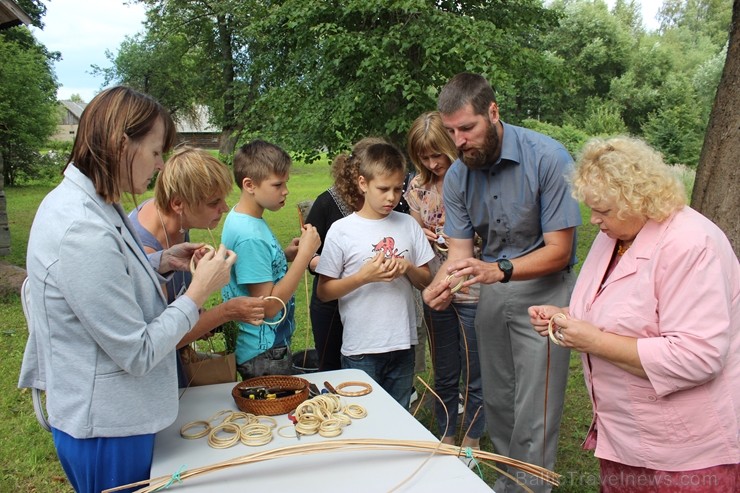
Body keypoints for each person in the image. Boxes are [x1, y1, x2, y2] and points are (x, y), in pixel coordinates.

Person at [17, 86, 235, 493]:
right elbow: (136, 351)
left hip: (119, 419)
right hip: (106, 429)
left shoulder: (95, 203)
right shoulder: (81, 228)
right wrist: (198, 293)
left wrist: (161, 260)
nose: (158, 166)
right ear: (121, 144)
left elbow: (100, 283)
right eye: (154, 152)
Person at [530, 137, 739, 492]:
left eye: (604, 211)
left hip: (686, 449)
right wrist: (566, 315)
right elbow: (622, 308)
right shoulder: (617, 234)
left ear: (639, 199)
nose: (593, 220)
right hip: (626, 435)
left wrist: (593, 340)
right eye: (592, 209)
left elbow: (698, 356)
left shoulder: (690, 244)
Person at [422, 73, 581, 492]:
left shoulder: (548, 157)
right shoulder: (458, 176)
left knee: (536, 406)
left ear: (493, 113)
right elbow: (458, 256)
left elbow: (559, 250)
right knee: (497, 400)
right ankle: (511, 482)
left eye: (467, 128)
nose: (458, 141)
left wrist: (498, 270)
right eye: (451, 131)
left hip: (545, 292)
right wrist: (440, 286)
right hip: (492, 291)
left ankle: (533, 487)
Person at [129, 146, 265, 387]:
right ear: (179, 202)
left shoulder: (176, 221)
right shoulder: (143, 249)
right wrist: (226, 312)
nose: (224, 208)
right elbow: (163, 340)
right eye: (214, 202)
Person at [315, 140, 435, 408]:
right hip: (361, 349)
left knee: (399, 415)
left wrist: (408, 268)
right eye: (383, 189)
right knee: (362, 417)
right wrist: (363, 277)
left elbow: (427, 280)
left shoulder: (407, 225)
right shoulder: (342, 230)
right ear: (362, 183)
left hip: (403, 344)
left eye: (397, 189)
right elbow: (324, 292)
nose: (391, 197)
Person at [405, 111, 485, 458]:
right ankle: (447, 434)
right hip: (435, 290)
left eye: (438, 153)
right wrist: (420, 233)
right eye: (424, 156)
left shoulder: (476, 181)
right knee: (445, 368)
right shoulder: (417, 188)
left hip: (472, 289)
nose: (434, 162)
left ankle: (474, 438)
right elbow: (413, 230)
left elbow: (488, 235)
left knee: (475, 369)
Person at [221, 139, 321, 380]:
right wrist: (304, 257)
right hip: (264, 352)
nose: (285, 190)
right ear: (250, 185)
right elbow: (269, 306)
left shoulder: (243, 217)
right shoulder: (250, 236)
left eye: (285, 183)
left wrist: (284, 256)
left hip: (262, 348)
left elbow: (255, 270)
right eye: (277, 184)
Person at [305, 137, 383, 371]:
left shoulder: (391, 202)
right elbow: (306, 256)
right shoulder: (328, 203)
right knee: (332, 369)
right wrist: (333, 265)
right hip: (331, 308)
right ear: (358, 174)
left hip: (373, 305)